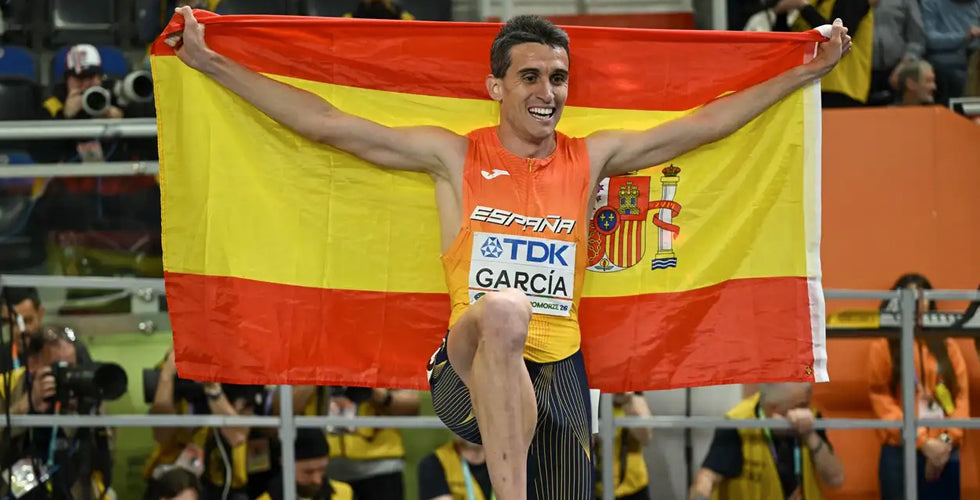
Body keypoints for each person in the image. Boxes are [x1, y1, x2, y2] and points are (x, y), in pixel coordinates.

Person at [164, 8, 851, 499]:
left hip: (560, 376)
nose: (546, 92)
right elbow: (326, 124)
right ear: (496, 87)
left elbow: (705, 124)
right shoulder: (452, 156)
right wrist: (210, 60)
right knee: (502, 309)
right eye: (529, 77)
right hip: (466, 368)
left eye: (556, 78)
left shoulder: (594, 157)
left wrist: (802, 72)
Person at [868, 273, 969, 499]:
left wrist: (945, 441)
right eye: (910, 295)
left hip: (945, 450)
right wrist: (922, 442)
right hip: (900, 450)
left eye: (923, 295)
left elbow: (960, 396)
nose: (917, 301)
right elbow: (881, 398)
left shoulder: (947, 345)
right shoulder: (883, 345)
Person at [687, 383, 845, 500]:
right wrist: (700, 495)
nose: (804, 412)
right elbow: (707, 478)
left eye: (806, 405)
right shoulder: (738, 423)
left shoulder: (810, 419)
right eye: (799, 406)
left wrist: (810, 435)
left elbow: (835, 480)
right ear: (772, 409)